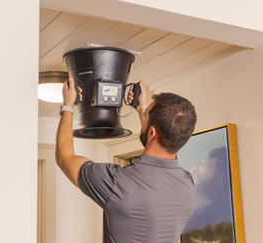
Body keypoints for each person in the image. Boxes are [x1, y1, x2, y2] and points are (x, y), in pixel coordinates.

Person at [55, 78, 197, 243]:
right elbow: (161, 143)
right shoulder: (188, 186)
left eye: (146, 114)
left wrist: (68, 105)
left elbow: (64, 157)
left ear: (152, 133)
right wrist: (143, 111)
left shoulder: (116, 182)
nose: (143, 114)